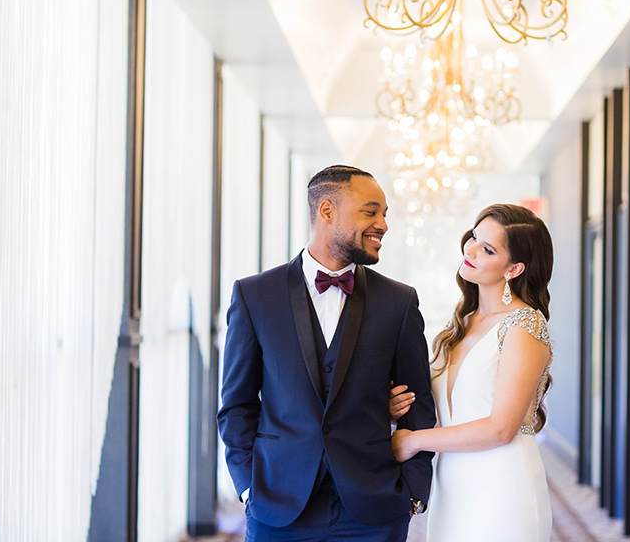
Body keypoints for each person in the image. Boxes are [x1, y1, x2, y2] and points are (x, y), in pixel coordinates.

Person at [218, 165, 436, 541]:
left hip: (374, 509)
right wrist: (248, 486)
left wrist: (413, 493)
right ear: (327, 211)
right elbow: (236, 404)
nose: (383, 224)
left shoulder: (398, 302)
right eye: (371, 211)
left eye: (385, 214)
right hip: (278, 506)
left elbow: (419, 403)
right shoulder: (255, 296)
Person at [389, 203, 554, 541]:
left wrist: (413, 441)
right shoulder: (463, 321)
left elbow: (500, 429)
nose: (471, 250)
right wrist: (396, 409)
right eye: (475, 237)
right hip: (453, 483)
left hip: (503, 485)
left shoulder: (524, 324)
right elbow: (451, 411)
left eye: (488, 249)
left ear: (514, 268)